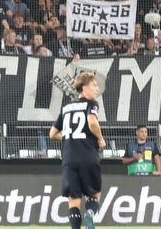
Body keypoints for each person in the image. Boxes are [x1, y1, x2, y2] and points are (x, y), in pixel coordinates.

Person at [50, 71, 105, 229]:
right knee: (94, 193)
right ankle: (90, 214)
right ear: (84, 87)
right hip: (88, 156)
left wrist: (69, 136)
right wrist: (100, 138)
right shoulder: (91, 104)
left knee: (73, 200)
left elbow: (52, 134)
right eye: (94, 85)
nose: (97, 88)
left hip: (68, 160)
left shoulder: (66, 108)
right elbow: (92, 122)